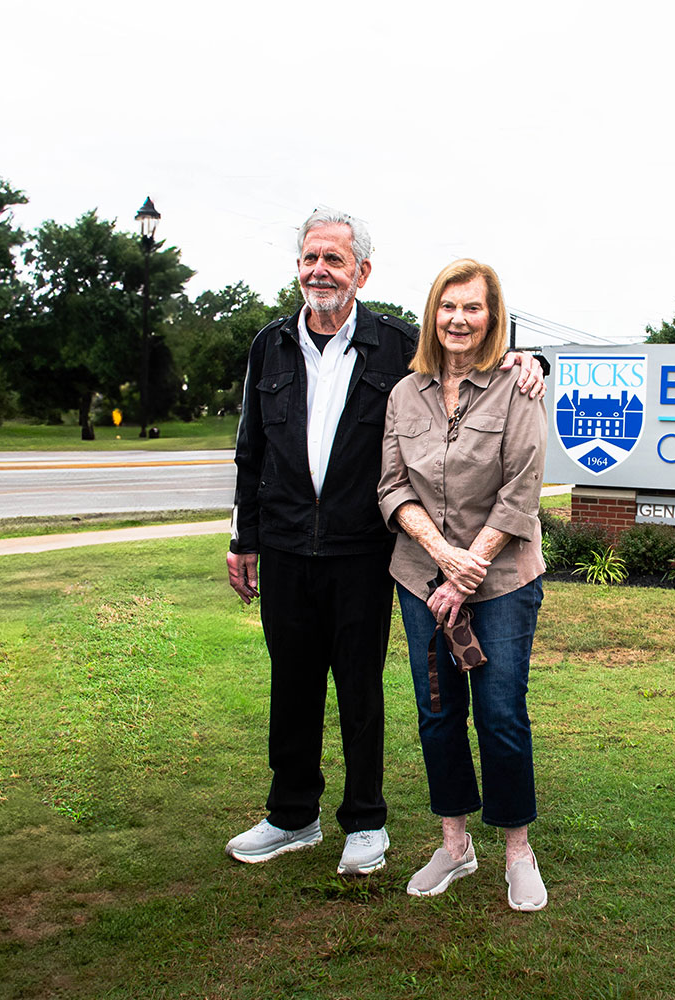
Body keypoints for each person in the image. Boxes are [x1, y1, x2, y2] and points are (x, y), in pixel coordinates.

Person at [224, 212, 543, 877]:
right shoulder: (270, 345)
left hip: (361, 550)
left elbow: (464, 360)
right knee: (293, 683)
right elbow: (249, 449)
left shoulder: (394, 344)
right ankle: (291, 815)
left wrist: (529, 360)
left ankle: (365, 821)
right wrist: (243, 538)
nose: (320, 271)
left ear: (361, 272)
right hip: (283, 546)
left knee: (361, 686)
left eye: (334, 260)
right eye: (311, 257)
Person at [377, 259, 550, 911]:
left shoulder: (519, 386)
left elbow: (521, 491)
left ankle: (517, 852)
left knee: (501, 715)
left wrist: (468, 565)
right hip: (422, 577)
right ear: (432, 313)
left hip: (502, 579)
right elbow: (391, 485)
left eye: (472, 307)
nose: (458, 319)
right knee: (438, 713)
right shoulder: (404, 394)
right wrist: (441, 555)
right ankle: (455, 846)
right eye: (448, 306)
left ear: (491, 315)